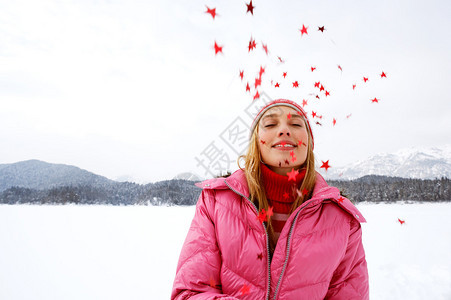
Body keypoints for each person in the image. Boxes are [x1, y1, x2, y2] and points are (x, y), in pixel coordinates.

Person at [171, 99, 369, 299]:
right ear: (256, 141)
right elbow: (189, 292)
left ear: (309, 143)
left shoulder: (343, 219)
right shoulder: (216, 202)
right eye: (271, 124)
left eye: (296, 124)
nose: (284, 130)